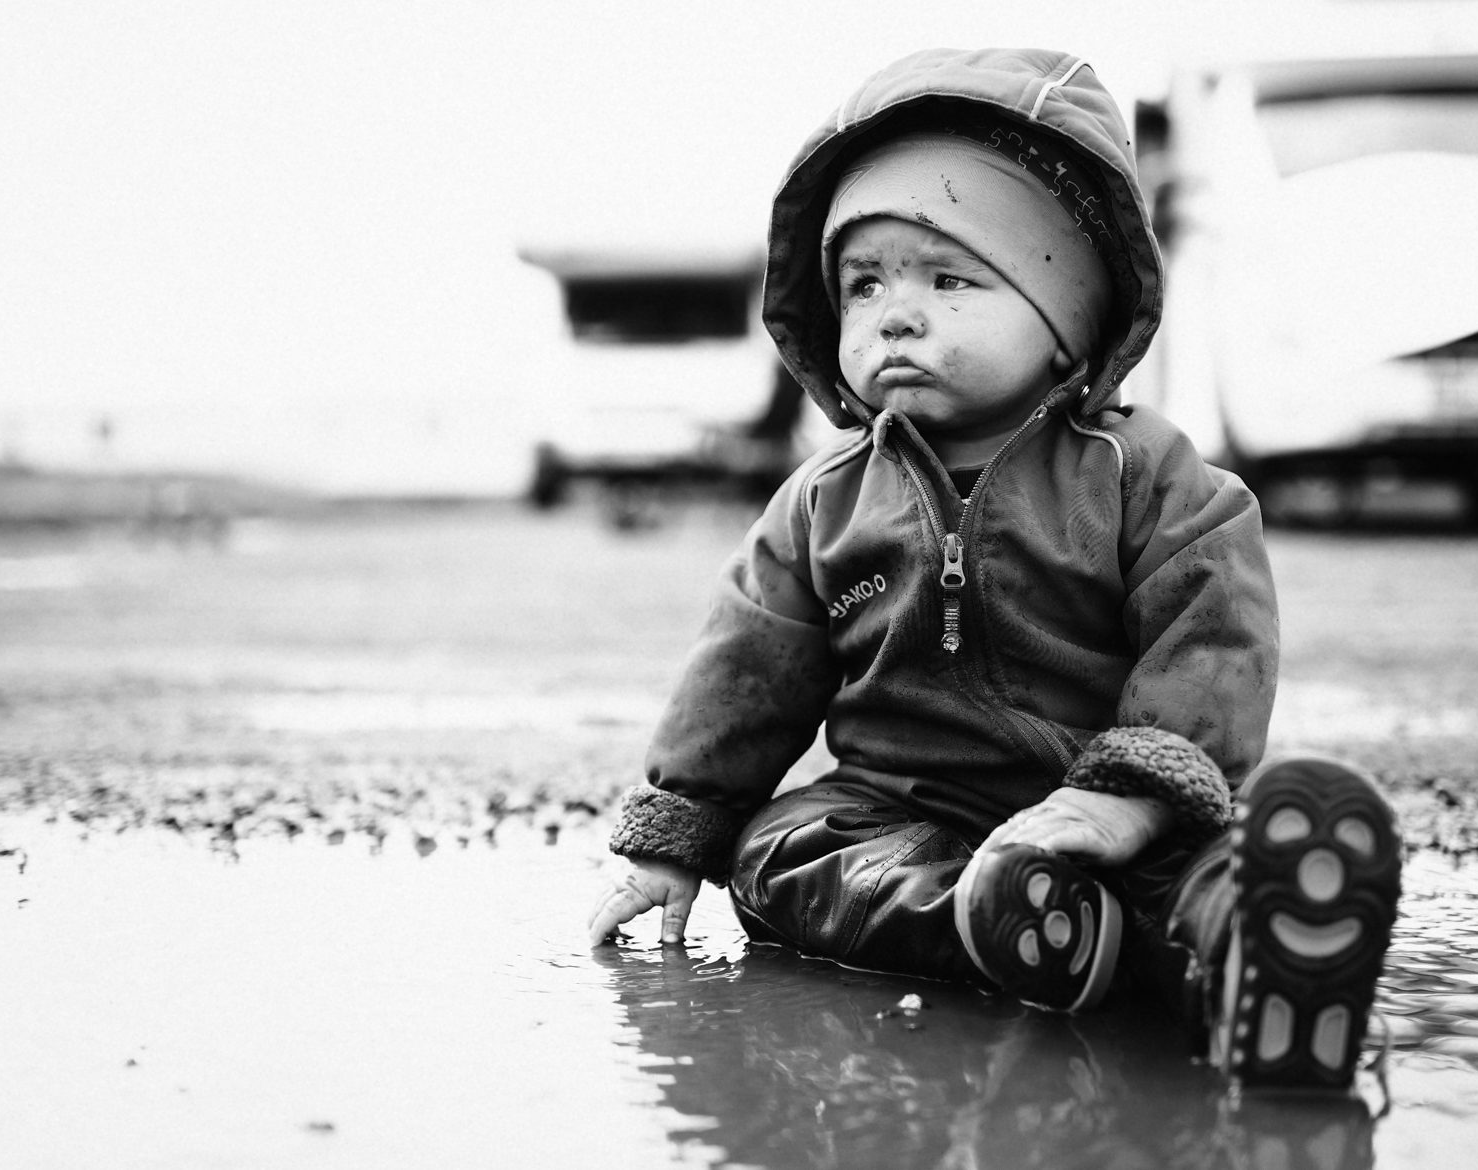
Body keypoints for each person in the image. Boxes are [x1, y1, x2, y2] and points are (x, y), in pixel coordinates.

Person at [587, 46, 1401, 1090]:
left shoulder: (1144, 475)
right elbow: (742, 672)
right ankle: (1009, 920)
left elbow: (1213, 637)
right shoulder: (824, 499)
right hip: (898, 813)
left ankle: (1250, 951)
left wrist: (1124, 798)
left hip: (1110, 810)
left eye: (947, 278)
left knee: (1193, 868)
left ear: (1066, 318)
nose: (894, 312)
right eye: (862, 283)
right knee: (777, 854)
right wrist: (676, 834)